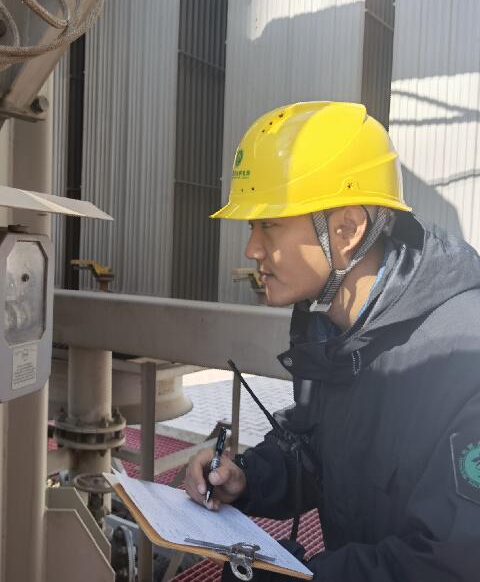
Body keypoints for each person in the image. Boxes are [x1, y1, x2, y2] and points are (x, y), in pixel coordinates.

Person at [184, 101, 480, 581]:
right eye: (251, 226)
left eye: (269, 224)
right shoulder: (341, 333)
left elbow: (450, 563)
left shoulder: (464, 359)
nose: (252, 249)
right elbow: (319, 450)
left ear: (346, 229)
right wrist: (246, 478)